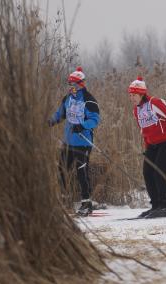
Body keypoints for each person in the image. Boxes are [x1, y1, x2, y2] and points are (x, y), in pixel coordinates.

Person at [128, 76, 166, 218]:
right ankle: (155, 206)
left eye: (134, 95)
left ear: (142, 94)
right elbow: (144, 130)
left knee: (159, 172)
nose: (132, 98)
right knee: (147, 173)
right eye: (130, 95)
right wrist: (147, 146)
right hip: (152, 145)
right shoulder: (136, 111)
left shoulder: (155, 103)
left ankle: (165, 207)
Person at [49, 67, 100, 216]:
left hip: (83, 142)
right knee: (62, 170)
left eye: (74, 84)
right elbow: (60, 114)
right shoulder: (68, 98)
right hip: (68, 142)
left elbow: (95, 120)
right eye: (69, 84)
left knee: (81, 172)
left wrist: (82, 125)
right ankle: (65, 202)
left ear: (81, 84)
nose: (71, 87)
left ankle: (86, 204)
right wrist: (50, 121)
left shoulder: (89, 100)